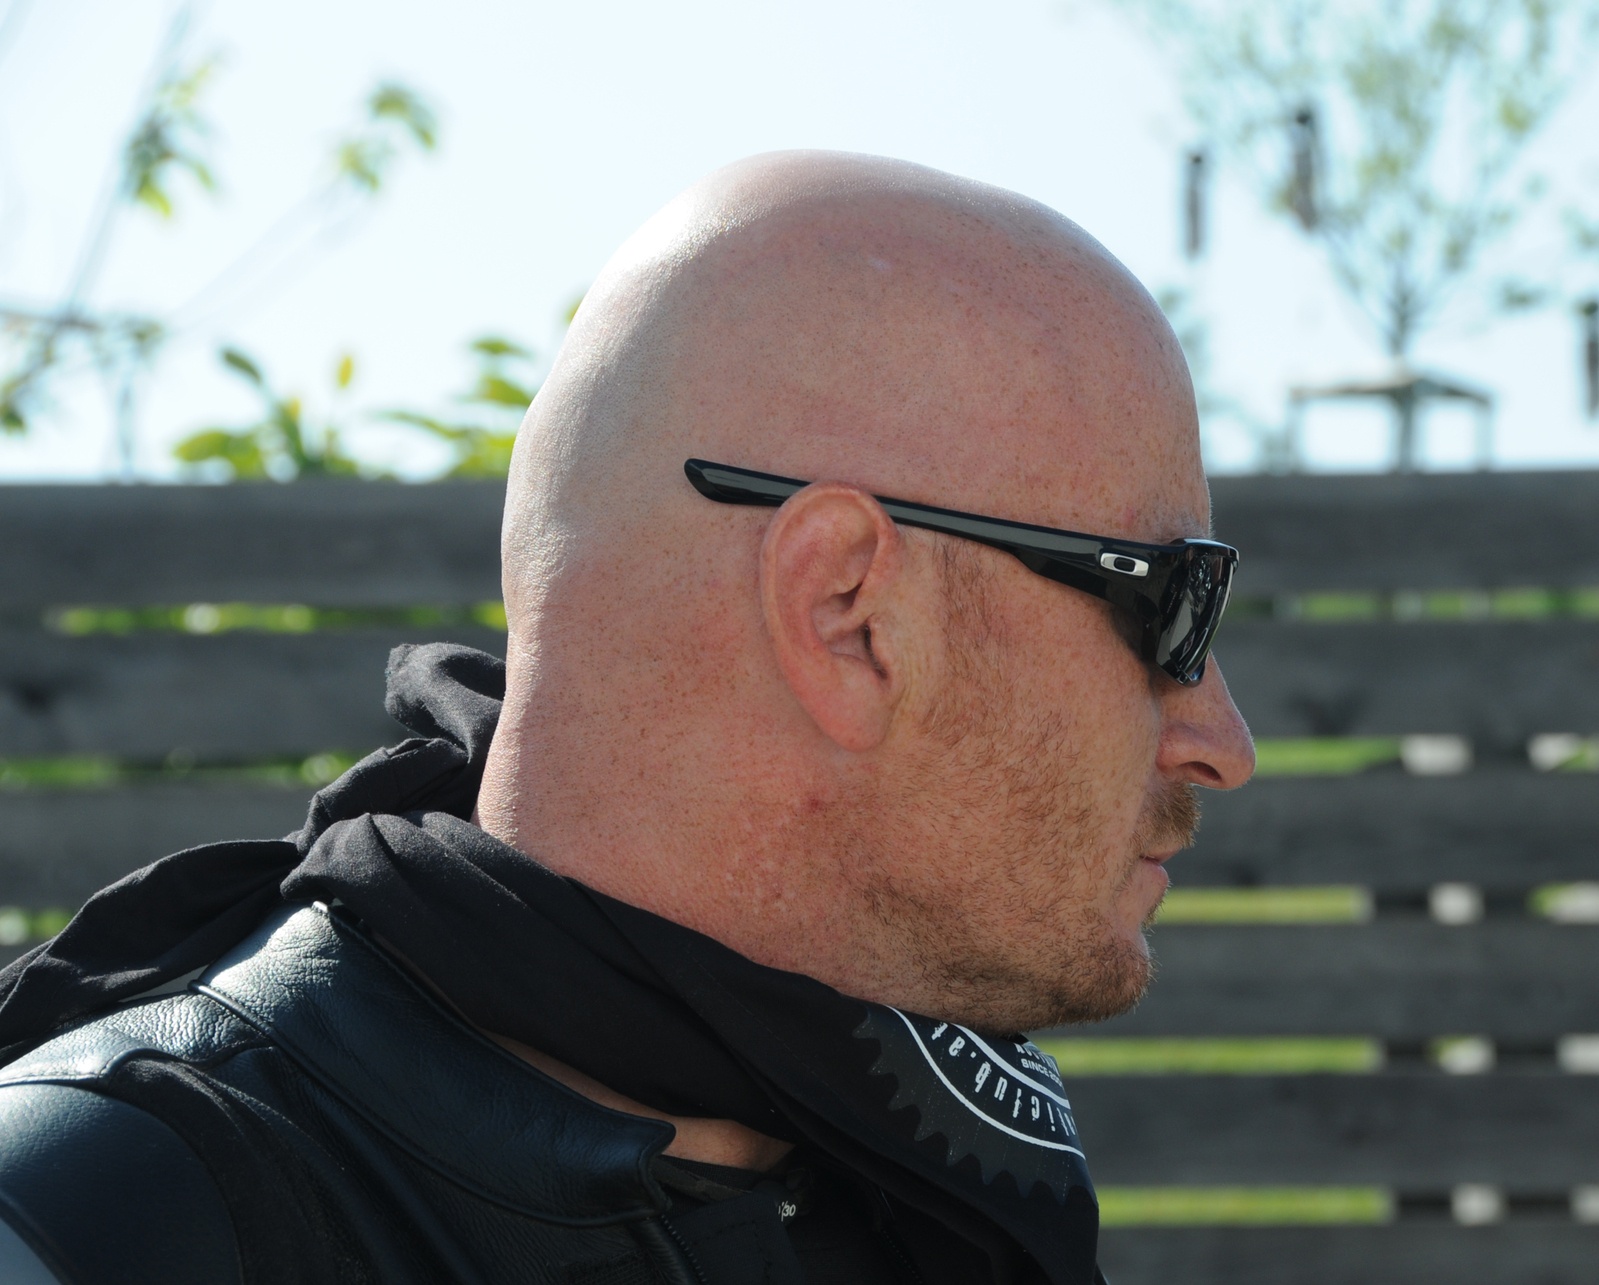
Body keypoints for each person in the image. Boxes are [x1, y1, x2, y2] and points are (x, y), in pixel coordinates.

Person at [0, 151, 1253, 1285]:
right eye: (1173, 608)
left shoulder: (927, 1180)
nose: (1223, 744)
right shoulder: (97, 1223)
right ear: (848, 613)